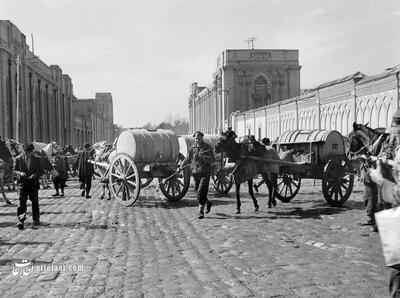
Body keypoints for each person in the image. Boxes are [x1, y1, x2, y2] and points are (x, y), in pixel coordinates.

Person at [180, 131, 214, 219]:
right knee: (197, 191)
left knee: (201, 191)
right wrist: (181, 166)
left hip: (205, 172)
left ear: (202, 138)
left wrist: (203, 157)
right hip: (195, 172)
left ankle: (200, 211)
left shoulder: (207, 147)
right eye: (195, 138)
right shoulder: (192, 148)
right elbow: (187, 158)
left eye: (198, 138)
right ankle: (208, 202)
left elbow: (212, 160)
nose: (197, 140)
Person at [14, 143, 44, 230]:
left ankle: (36, 219)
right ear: (24, 151)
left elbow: (41, 171)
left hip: (33, 184)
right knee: (21, 202)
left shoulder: (38, 159)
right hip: (22, 184)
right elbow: (14, 170)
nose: (28, 154)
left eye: (29, 152)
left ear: (32, 151)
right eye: (26, 152)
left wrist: (35, 174)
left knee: (34, 202)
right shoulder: (18, 159)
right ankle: (21, 220)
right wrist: (20, 173)